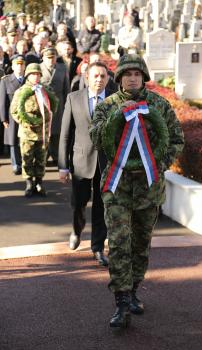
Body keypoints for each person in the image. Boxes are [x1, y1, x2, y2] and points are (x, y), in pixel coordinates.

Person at [89, 54, 184, 328]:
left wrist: (159, 163)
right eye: (126, 74)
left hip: (148, 187)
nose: (132, 78)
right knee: (119, 243)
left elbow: (176, 139)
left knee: (141, 244)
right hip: (117, 186)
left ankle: (133, 291)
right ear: (118, 79)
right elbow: (96, 138)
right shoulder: (107, 106)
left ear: (144, 77)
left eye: (136, 74)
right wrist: (118, 116)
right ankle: (120, 302)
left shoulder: (159, 105)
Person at [58, 61, 116, 266]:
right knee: (79, 204)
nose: (99, 79)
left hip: (106, 163)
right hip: (81, 162)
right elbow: (65, 134)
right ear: (87, 78)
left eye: (103, 76)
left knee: (102, 207)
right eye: (96, 76)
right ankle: (76, 230)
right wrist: (63, 166)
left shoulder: (115, 100)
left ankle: (98, 248)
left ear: (108, 79)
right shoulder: (74, 98)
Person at [10, 63, 58, 197]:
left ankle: (39, 182)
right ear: (28, 76)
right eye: (33, 74)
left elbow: (53, 107)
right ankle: (29, 183)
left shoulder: (46, 90)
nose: (36, 77)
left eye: (38, 74)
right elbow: (14, 111)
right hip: (27, 132)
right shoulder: (21, 92)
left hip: (43, 132)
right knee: (27, 159)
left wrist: (47, 119)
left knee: (41, 159)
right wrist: (25, 121)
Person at [40, 47, 70, 165]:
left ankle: (57, 156)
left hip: (59, 103)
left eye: (53, 57)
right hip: (43, 103)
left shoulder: (62, 68)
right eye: (48, 58)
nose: (51, 60)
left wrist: (68, 104)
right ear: (43, 58)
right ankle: (44, 156)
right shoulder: (39, 68)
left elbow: (66, 88)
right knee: (45, 131)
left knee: (57, 131)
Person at [0, 54, 25, 175]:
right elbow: (2, 101)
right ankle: (16, 164)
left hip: (26, 115)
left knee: (25, 140)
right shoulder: (5, 80)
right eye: (17, 64)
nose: (20, 67)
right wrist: (4, 118)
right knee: (13, 141)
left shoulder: (28, 79)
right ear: (13, 66)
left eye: (22, 64)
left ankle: (25, 163)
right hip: (12, 116)